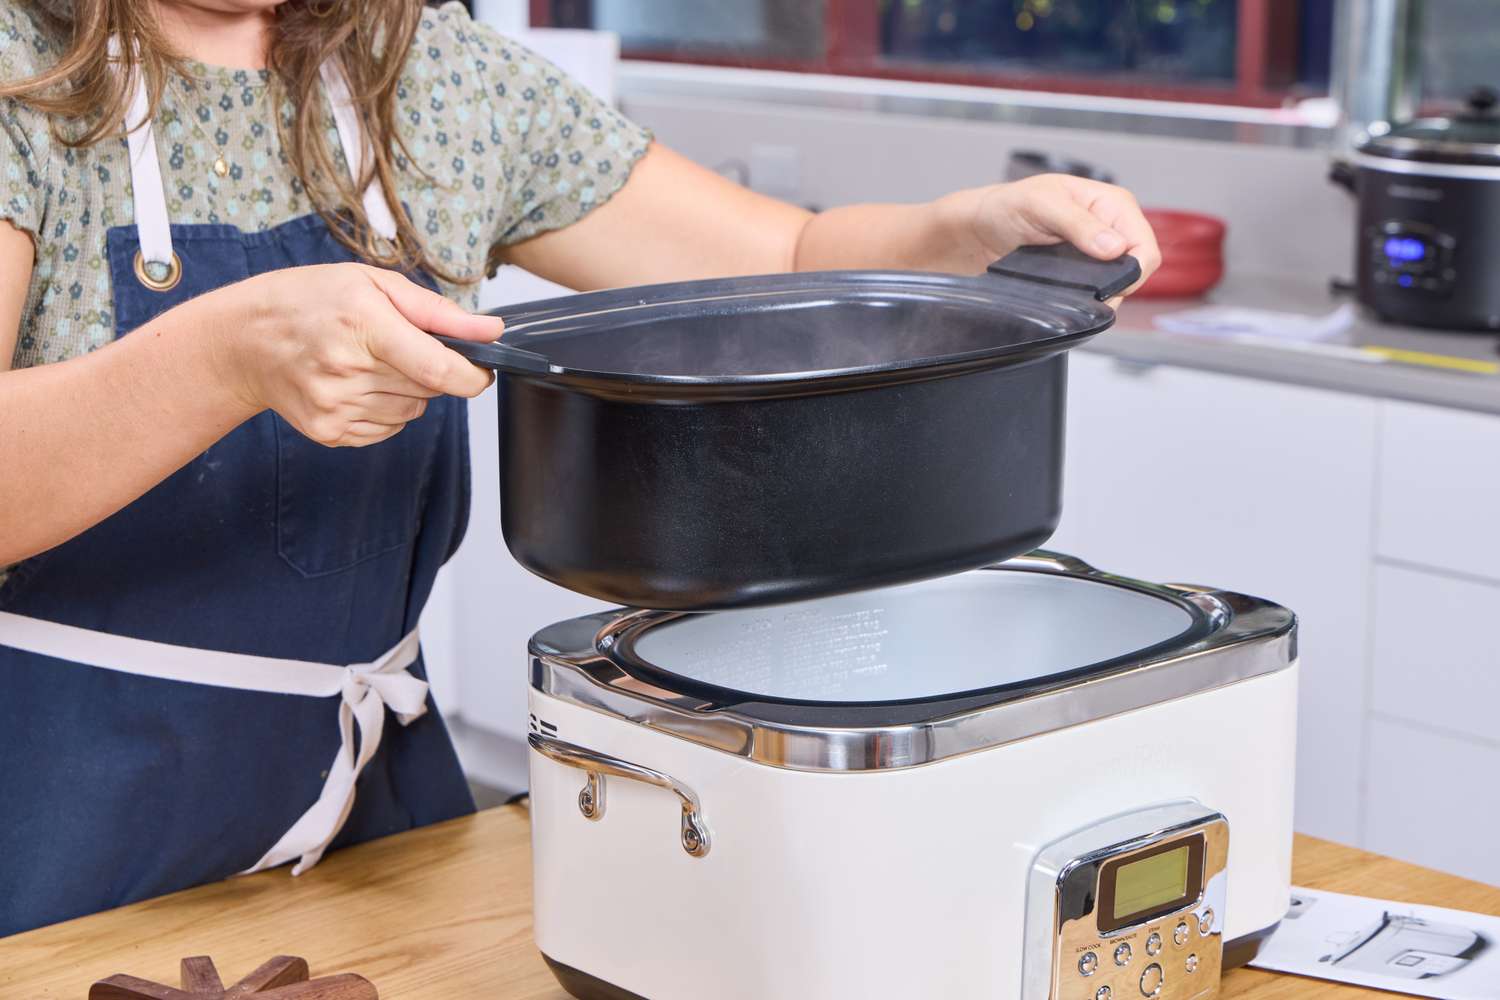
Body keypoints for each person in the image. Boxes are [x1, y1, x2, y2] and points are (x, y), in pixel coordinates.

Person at [0, 0, 1161, 937]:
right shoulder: (21, 75)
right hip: (71, 814)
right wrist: (223, 356)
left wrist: (960, 237)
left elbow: (788, 262)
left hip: (380, 811)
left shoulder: (424, 65)